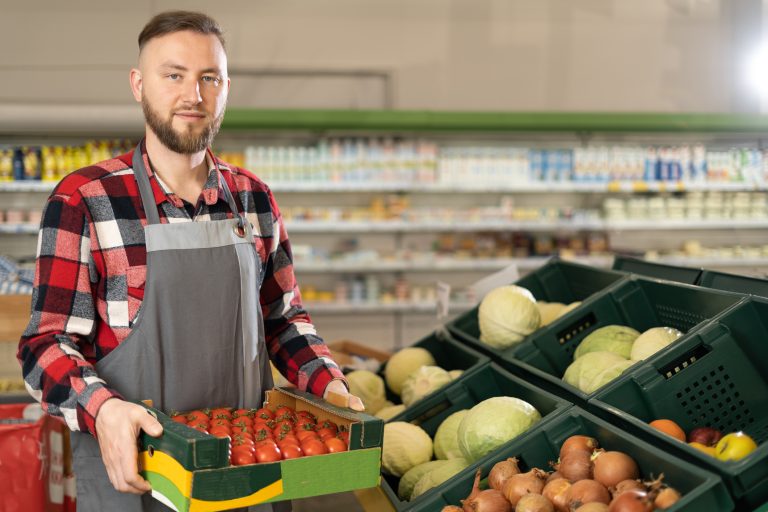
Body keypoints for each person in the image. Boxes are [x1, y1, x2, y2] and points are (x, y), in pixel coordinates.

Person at [17, 10, 363, 512]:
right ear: (139, 84)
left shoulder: (255, 199)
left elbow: (284, 322)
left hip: (248, 474)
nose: (193, 95)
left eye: (209, 78)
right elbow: (45, 344)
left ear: (226, 87)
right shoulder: (83, 200)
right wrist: (105, 409)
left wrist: (330, 385)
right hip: (134, 477)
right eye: (173, 75)